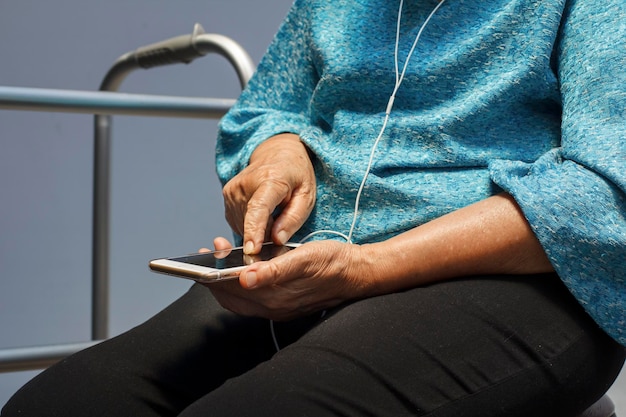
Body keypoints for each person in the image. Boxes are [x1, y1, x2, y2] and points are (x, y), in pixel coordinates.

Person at [3, 0, 625, 416]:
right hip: (316, 261)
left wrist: (367, 267)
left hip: (516, 279)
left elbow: (603, 191)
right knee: (54, 405)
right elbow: (266, 109)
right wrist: (278, 152)